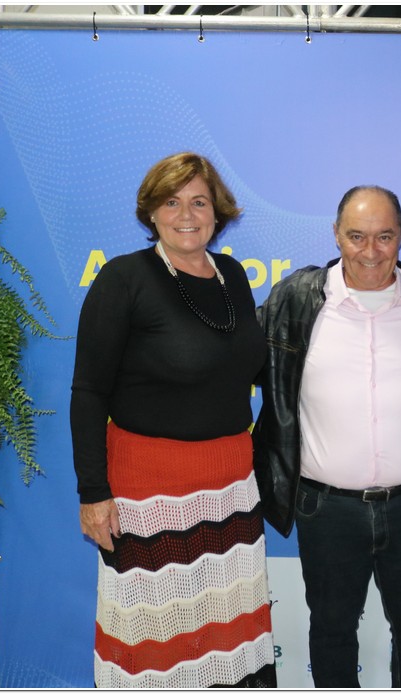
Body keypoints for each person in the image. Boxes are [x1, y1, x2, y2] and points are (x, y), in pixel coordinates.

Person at [71, 152, 277, 688]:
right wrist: (93, 493)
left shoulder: (232, 275)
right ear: (151, 212)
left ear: (218, 212)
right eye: (171, 202)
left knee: (227, 636)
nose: (187, 215)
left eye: (199, 202)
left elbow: (242, 366)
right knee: (154, 644)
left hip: (230, 489)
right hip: (149, 495)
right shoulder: (124, 279)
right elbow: (89, 392)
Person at [251, 185, 401, 688]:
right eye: (356, 236)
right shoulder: (294, 301)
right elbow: (232, 366)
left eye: (384, 236)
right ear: (336, 234)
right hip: (325, 509)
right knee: (331, 632)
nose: (370, 251)